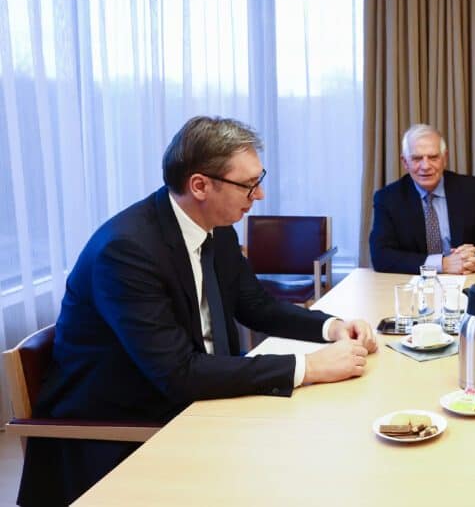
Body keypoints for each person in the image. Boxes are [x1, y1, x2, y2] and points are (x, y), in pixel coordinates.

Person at [18, 116, 378, 506]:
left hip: (197, 401)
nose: (258, 196)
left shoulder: (217, 227)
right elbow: (178, 374)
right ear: (200, 185)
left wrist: (332, 327)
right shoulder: (126, 251)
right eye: (249, 184)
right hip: (121, 429)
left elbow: (254, 305)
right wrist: (311, 368)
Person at [369, 124, 475, 274]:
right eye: (417, 158)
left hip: (468, 279)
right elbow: (381, 256)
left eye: (433, 157)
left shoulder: (474, 190)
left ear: (445, 158)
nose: (425, 166)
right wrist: (442, 264)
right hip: (415, 285)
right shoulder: (388, 198)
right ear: (405, 162)